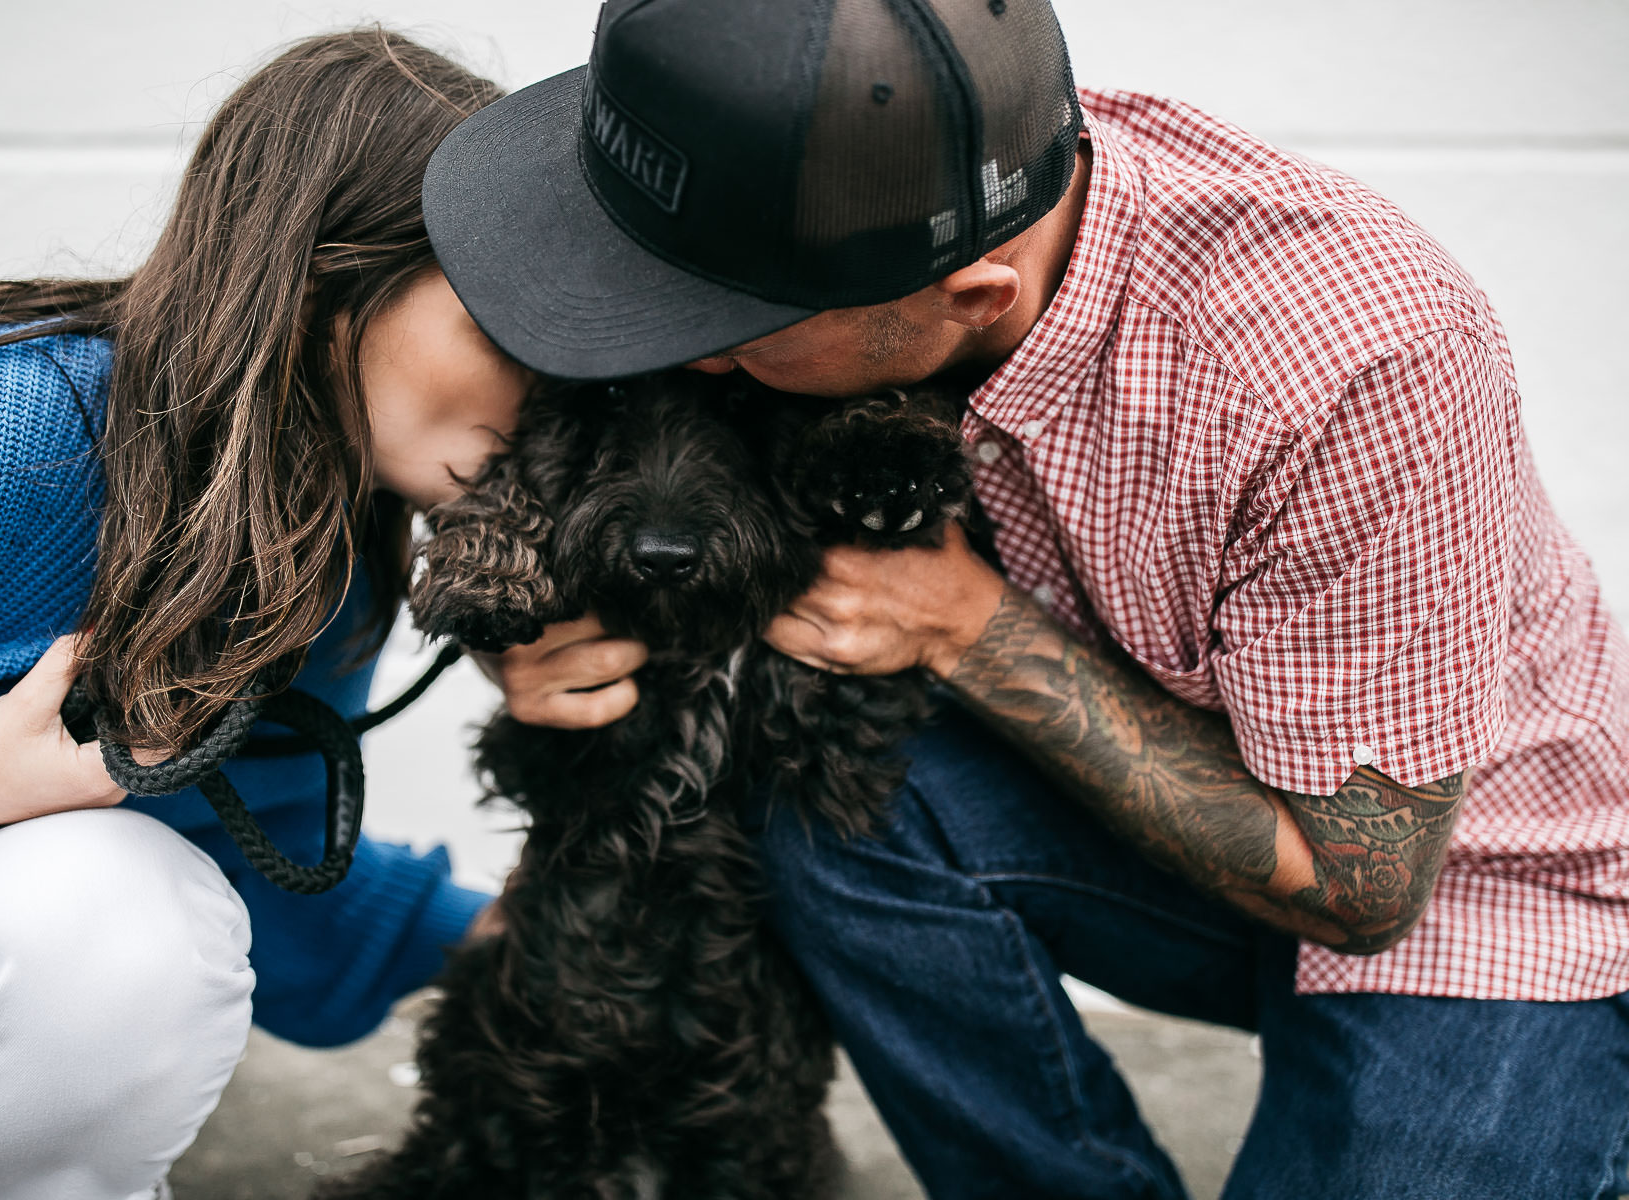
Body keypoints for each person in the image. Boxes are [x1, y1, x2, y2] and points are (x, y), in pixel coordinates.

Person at [418, 1, 1629, 1196]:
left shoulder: (1352, 362)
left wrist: (964, 626)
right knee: (834, 795)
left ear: (975, 301)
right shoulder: (857, 202)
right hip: (1141, 817)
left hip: (1464, 888)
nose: (686, 356)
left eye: (731, 334)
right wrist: (548, 645)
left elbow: (1363, 888)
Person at [0, 29, 531, 1199]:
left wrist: (509, 929)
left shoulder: (331, 552)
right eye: (508, 323)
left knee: (128, 911)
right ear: (324, 278)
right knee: (103, 902)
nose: (551, 384)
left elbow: (255, 850)